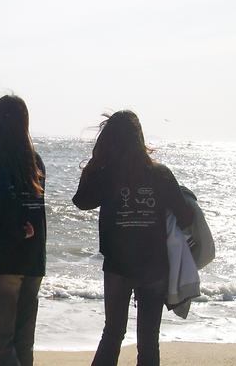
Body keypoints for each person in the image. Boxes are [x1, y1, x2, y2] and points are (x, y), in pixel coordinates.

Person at [72, 110, 194, 366]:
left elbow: (81, 201)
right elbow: (186, 218)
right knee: (148, 340)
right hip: (154, 266)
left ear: (110, 140)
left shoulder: (107, 174)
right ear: (139, 138)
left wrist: (95, 163)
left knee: (113, 333)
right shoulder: (160, 174)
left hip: (118, 266)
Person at [0, 95, 46, 366]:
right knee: (22, 344)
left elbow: (0, 205)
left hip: (4, 260)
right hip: (33, 261)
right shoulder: (35, 160)